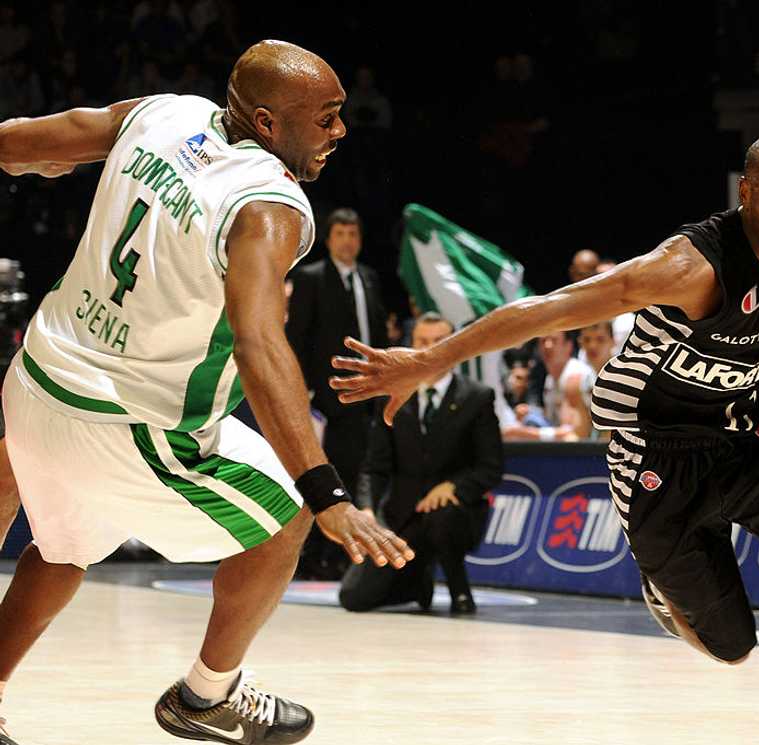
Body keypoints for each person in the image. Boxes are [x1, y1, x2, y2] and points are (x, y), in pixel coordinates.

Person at [331, 129, 759, 745]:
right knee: (733, 646)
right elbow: (547, 310)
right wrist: (429, 360)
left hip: (756, 426)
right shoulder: (689, 266)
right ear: (746, 193)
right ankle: (662, 583)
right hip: (657, 443)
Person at [0, 40, 413, 745]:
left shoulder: (163, 113)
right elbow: (258, 342)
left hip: (37, 383)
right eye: (326, 118)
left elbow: (42, 139)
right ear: (265, 121)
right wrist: (328, 491)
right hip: (129, 421)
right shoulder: (269, 203)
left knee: (66, 549)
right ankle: (206, 694)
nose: (341, 131)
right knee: (285, 518)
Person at [340, 313, 502, 615]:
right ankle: (415, 582)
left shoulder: (477, 397)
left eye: (440, 342)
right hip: (403, 515)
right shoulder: (393, 397)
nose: (430, 350)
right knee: (354, 598)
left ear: (456, 346)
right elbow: (374, 467)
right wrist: (367, 509)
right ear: (410, 346)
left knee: (442, 517)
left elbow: (491, 467)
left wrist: (454, 486)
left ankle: (459, 590)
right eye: (422, 343)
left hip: (455, 513)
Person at [286, 206, 390, 580]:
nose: (348, 241)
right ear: (328, 239)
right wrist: (303, 394)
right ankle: (312, 556)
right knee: (321, 476)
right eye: (341, 234)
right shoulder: (311, 278)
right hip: (325, 400)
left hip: (367, 399)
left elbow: (377, 336)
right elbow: (296, 339)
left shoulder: (369, 279)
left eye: (354, 234)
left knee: (358, 472)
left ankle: (349, 555)